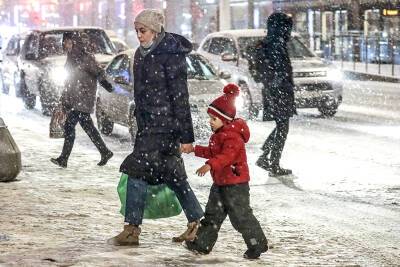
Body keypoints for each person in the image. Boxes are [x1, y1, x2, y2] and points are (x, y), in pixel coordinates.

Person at [107, 9, 203, 246]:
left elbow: (180, 96)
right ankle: (198, 223)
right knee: (174, 175)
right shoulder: (140, 54)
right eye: (137, 30)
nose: (139, 35)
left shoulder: (170, 54)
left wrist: (186, 136)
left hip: (165, 127)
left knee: (135, 171)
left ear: (155, 30)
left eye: (144, 30)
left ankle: (132, 229)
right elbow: (141, 94)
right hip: (148, 127)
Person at [183, 83, 268, 259]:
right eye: (210, 118)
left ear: (225, 119)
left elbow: (226, 157)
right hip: (221, 183)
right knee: (212, 214)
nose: (210, 122)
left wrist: (209, 165)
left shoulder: (233, 137)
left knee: (241, 217)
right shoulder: (219, 135)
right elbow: (214, 153)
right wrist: (194, 149)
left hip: (236, 185)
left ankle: (257, 244)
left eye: (213, 119)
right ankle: (202, 243)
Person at [50, 32, 114, 168]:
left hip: (83, 99)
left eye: (67, 42)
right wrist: (64, 100)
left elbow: (99, 72)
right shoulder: (71, 58)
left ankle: (64, 158)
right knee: (88, 127)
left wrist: (106, 84)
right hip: (74, 99)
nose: (65, 44)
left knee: (69, 126)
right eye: (64, 42)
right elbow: (68, 82)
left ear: (74, 42)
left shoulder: (85, 58)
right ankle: (105, 151)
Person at [248, 12, 296, 177]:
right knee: (283, 127)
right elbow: (279, 71)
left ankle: (266, 157)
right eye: (287, 27)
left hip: (274, 91)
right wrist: (279, 84)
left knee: (281, 126)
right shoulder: (276, 44)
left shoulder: (270, 43)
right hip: (279, 92)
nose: (289, 30)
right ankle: (272, 162)